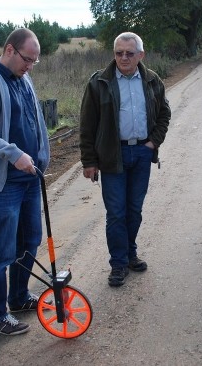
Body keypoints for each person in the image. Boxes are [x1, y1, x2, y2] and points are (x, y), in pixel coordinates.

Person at [0, 28, 51, 335]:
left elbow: (34, 121)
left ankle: (18, 297)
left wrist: (41, 154)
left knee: (29, 243)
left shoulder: (24, 78)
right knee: (1, 252)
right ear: (10, 50)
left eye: (34, 61)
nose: (30, 65)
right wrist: (13, 153)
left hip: (28, 179)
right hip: (0, 185)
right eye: (27, 59)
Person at [80, 32, 171, 287]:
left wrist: (153, 142)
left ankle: (130, 254)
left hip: (141, 153)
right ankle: (118, 264)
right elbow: (87, 124)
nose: (123, 57)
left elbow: (164, 113)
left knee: (134, 210)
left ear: (140, 55)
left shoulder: (152, 80)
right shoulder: (99, 82)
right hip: (112, 156)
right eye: (119, 52)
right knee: (116, 213)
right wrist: (89, 161)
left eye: (129, 53)